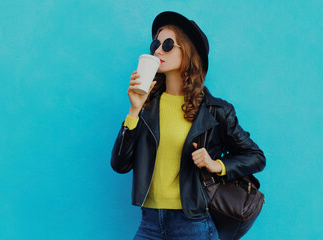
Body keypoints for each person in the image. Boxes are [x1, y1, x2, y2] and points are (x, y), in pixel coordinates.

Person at [111, 11, 266, 240]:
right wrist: (134, 109)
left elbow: (255, 156)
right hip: (150, 220)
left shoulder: (216, 110)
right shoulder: (146, 107)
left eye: (168, 44)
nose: (157, 50)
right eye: (156, 43)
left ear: (188, 51)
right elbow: (120, 164)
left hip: (192, 222)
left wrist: (217, 165)